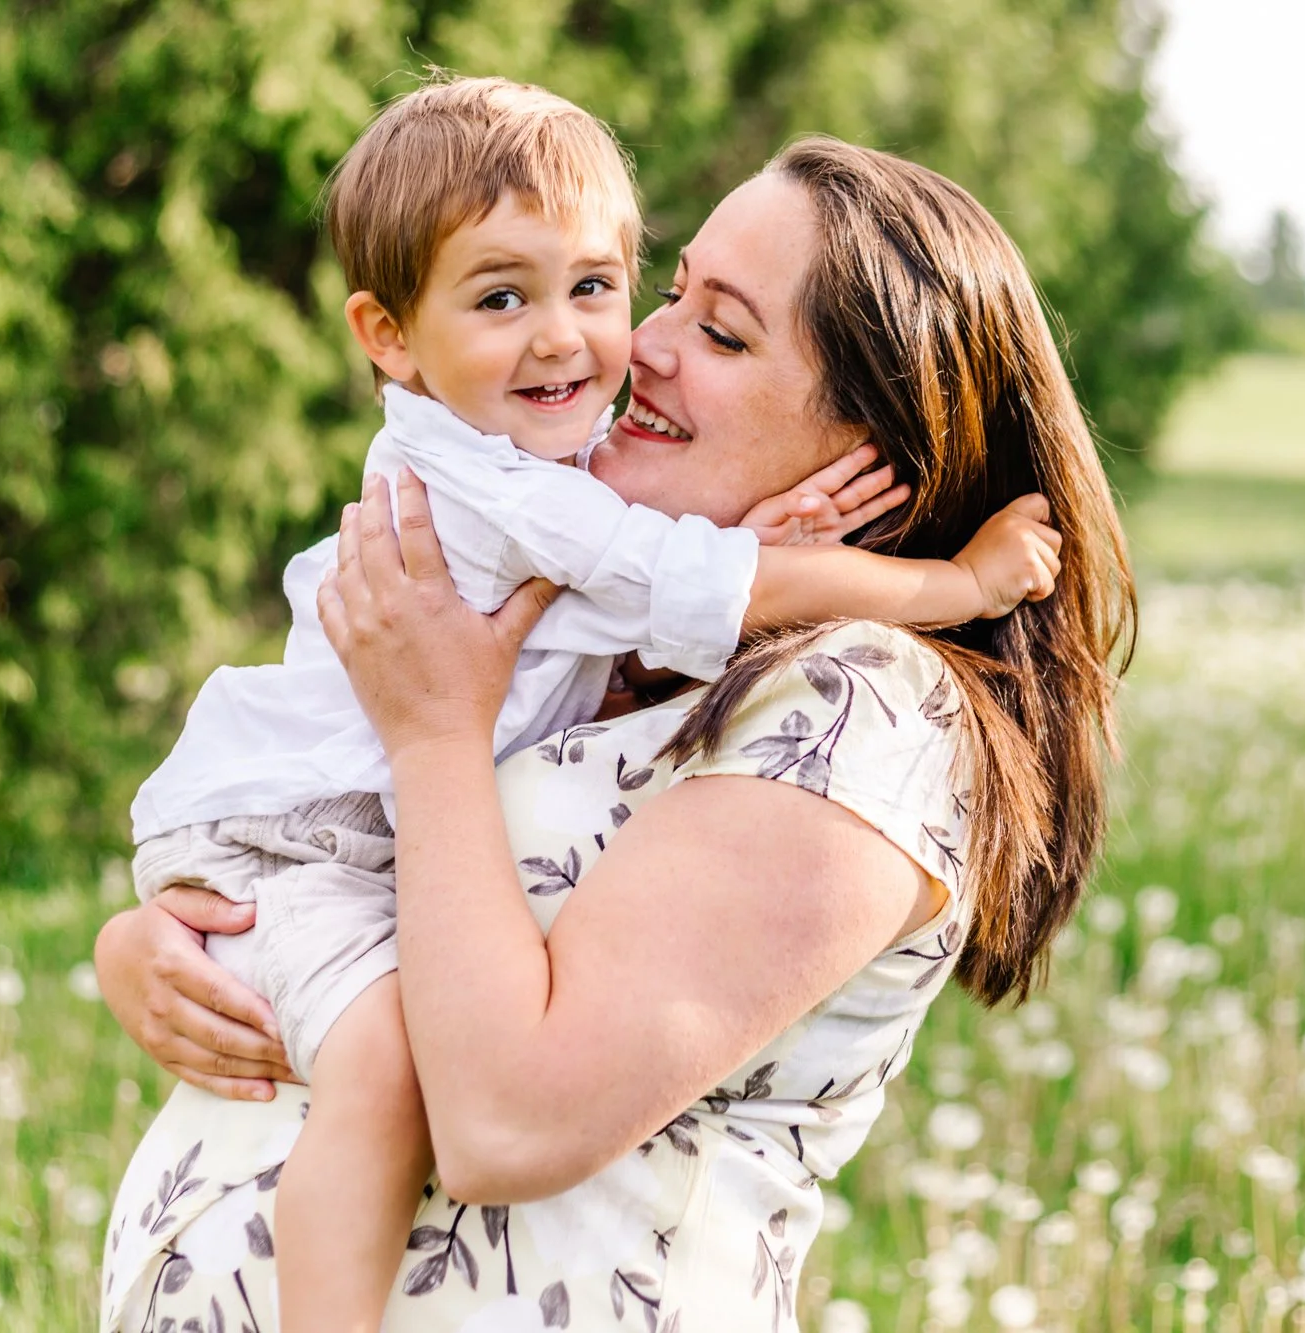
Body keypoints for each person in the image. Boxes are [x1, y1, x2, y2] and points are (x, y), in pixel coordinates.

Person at [95, 134, 1135, 1333]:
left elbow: (504, 1120)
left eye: (724, 331)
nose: (637, 341)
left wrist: (434, 732)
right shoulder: (605, 637)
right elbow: (414, 893)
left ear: (881, 448)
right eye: (671, 290)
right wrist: (174, 941)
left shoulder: (866, 710)